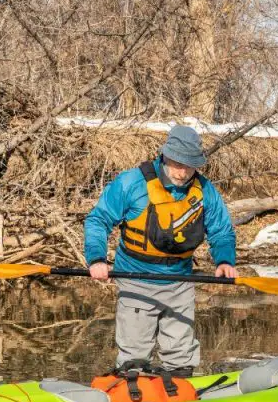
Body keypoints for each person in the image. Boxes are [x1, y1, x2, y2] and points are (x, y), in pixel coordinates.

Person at [83, 125, 237, 377]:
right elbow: (97, 220)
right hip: (136, 281)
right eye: (177, 163)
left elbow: (221, 230)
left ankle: (178, 392)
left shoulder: (205, 191)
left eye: (189, 165)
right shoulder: (132, 183)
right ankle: (131, 392)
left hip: (180, 282)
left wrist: (224, 260)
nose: (182, 171)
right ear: (165, 155)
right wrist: (97, 259)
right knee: (134, 357)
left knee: (180, 355)